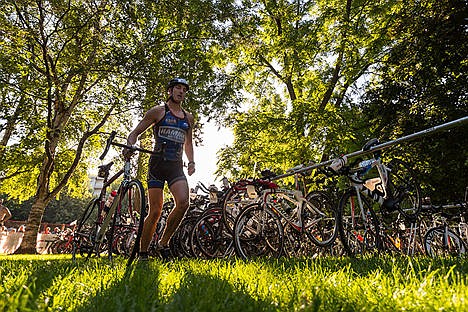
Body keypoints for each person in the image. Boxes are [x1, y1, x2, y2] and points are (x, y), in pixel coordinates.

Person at [123, 77, 195, 261]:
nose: (181, 92)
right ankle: (143, 253)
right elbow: (135, 133)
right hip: (157, 165)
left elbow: (189, 143)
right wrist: (129, 145)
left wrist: (192, 161)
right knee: (155, 211)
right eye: (177, 88)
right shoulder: (158, 112)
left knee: (183, 203)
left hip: (176, 167)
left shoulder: (188, 118)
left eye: (184, 89)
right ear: (170, 91)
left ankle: (163, 244)